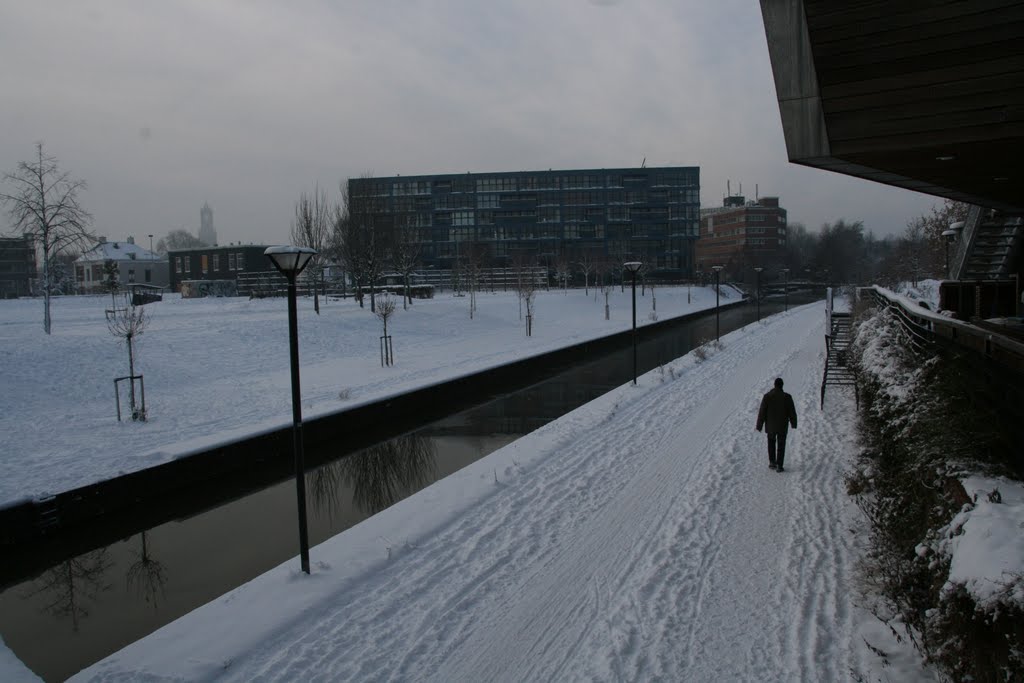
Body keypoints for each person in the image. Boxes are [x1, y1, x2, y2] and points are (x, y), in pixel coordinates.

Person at [756, 377, 798, 472]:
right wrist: (793, 423)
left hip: (770, 426)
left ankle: (772, 462)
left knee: (771, 443)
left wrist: (759, 425)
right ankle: (779, 465)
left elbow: (762, 412)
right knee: (781, 444)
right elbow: (792, 412)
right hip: (782, 426)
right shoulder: (787, 397)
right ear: (782, 385)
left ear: (774, 385)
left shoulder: (767, 396)